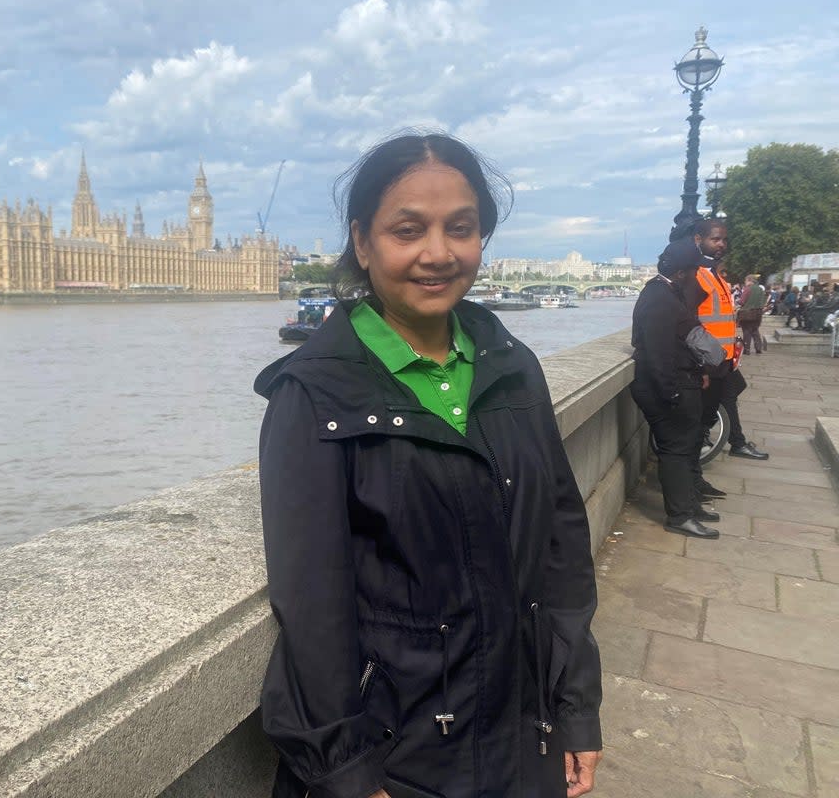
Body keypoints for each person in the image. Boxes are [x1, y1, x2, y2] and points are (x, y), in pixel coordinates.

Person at [254, 132, 602, 798]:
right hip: (403, 759)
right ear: (363, 243)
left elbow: (559, 550)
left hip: (522, 738)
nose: (438, 254)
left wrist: (576, 708)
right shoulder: (314, 394)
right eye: (408, 230)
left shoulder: (510, 366)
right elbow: (313, 610)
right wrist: (350, 775)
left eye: (461, 229)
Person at [630, 238, 720, 539]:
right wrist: (672, 394)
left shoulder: (669, 293)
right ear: (682, 272)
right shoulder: (659, 298)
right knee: (675, 452)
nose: (697, 276)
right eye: (694, 270)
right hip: (667, 390)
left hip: (683, 382)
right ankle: (680, 516)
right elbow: (656, 354)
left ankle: (690, 506)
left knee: (688, 447)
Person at [692, 219, 769, 463]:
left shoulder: (717, 277)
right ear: (698, 240)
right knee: (713, 403)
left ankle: (735, 440)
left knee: (732, 393)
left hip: (724, 356)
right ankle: (715, 439)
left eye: (724, 239)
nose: (721, 244)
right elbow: (689, 320)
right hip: (708, 357)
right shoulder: (698, 276)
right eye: (715, 239)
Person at [737, 274, 766, 354]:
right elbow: (763, 301)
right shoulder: (761, 289)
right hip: (758, 313)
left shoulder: (748, 289)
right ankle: (758, 348)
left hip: (747, 313)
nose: (745, 282)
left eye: (745, 281)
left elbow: (742, 301)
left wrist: (737, 301)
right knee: (755, 330)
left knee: (747, 331)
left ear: (750, 281)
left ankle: (747, 349)